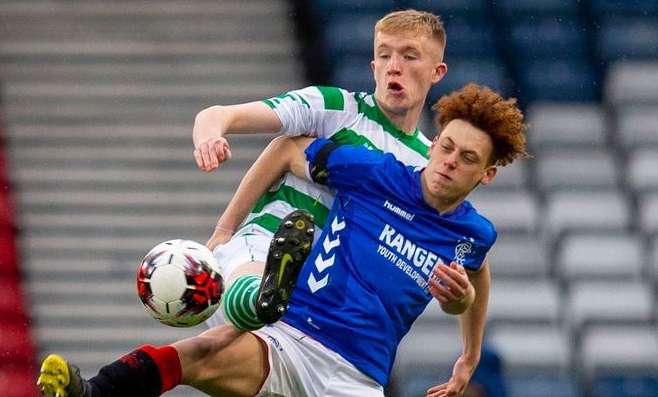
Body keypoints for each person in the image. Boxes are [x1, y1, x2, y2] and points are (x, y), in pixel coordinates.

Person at [38, 83, 529, 397]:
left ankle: (257, 296)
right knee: (199, 354)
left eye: (466, 158)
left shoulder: (473, 232)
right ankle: (91, 392)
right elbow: (290, 147)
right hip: (290, 339)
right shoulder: (375, 172)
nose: (448, 160)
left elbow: (475, 272)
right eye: (445, 146)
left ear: (486, 174)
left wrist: (467, 348)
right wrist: (227, 228)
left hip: (355, 377)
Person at [191, 8, 448, 330]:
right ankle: (259, 296)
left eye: (410, 57)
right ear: (373, 66)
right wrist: (209, 139)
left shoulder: (426, 163)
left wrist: (460, 301)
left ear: (437, 72)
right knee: (253, 291)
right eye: (384, 56)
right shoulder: (335, 107)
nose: (393, 67)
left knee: (215, 362)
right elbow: (218, 115)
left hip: (323, 292)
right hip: (263, 244)